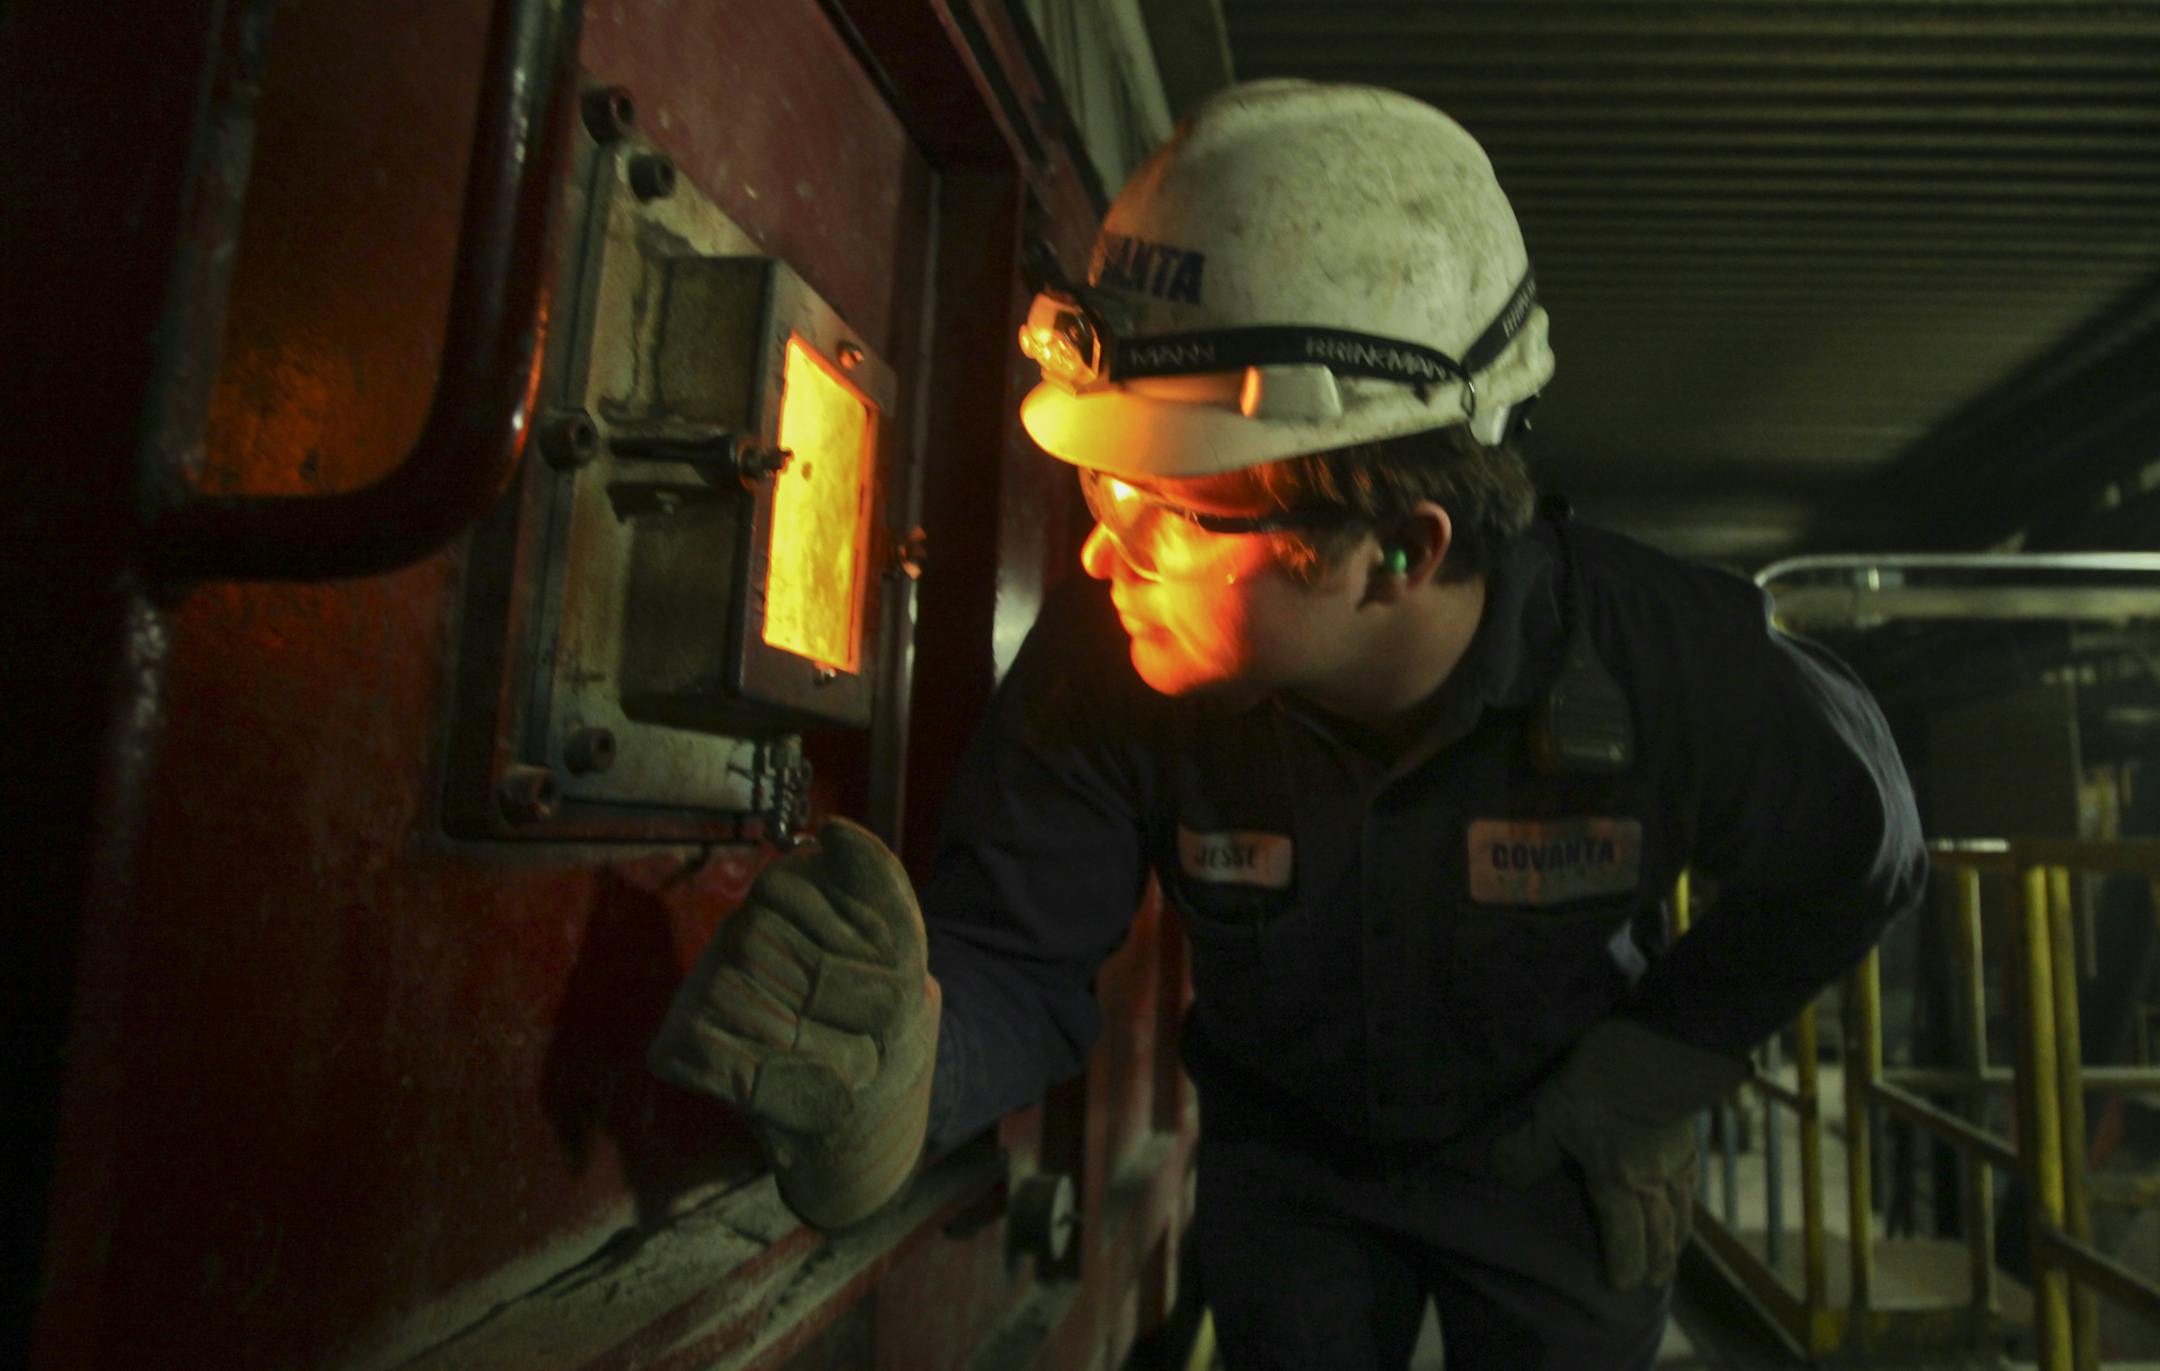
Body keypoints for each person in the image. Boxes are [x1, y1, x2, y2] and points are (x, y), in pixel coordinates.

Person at [648, 80, 1928, 1370]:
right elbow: (1015, 955)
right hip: (1290, 1170)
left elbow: (1860, 857)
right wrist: (899, 1071)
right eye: (1100, 484)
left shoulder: (1670, 664)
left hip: (1553, 1153)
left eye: (1171, 508)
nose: (1101, 552)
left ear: (1391, 553)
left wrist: (1651, 1076)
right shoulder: (1115, 666)